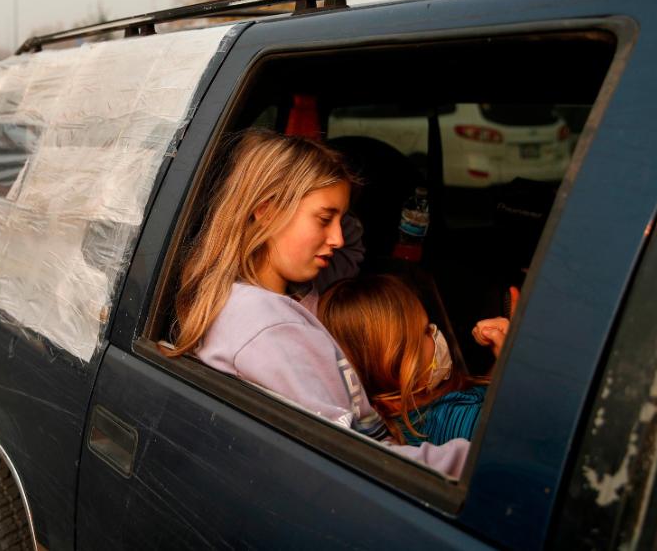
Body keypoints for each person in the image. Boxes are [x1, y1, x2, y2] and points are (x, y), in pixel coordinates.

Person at [167, 127, 468, 476]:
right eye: (325, 219)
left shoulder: (289, 297)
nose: (339, 237)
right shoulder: (267, 327)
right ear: (266, 210)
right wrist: (475, 463)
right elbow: (355, 464)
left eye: (342, 220)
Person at [318, 274, 508, 446]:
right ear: (396, 361)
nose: (435, 332)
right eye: (426, 331)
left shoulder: (406, 417)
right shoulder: (451, 422)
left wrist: (502, 359)